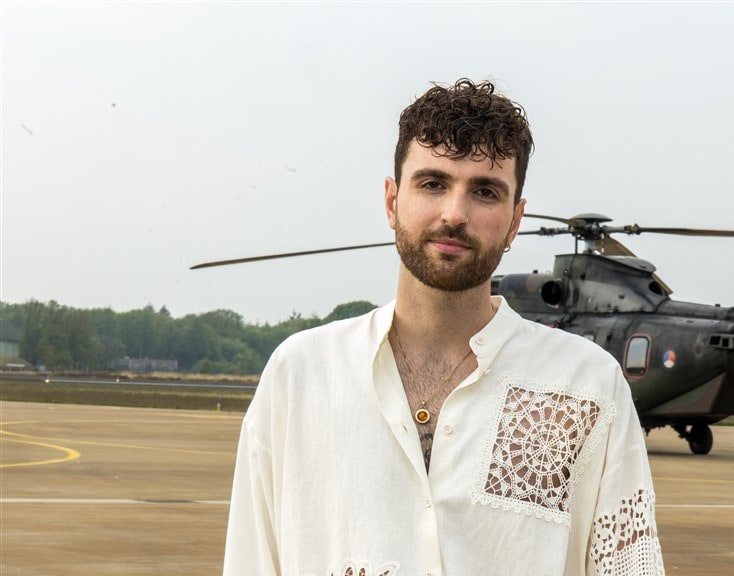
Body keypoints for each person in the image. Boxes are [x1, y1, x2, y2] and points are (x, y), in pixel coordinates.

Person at [223, 78, 665, 576]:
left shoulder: (588, 385)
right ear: (392, 202)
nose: (455, 214)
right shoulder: (300, 374)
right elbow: (252, 559)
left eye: (485, 191)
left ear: (516, 221)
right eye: (432, 184)